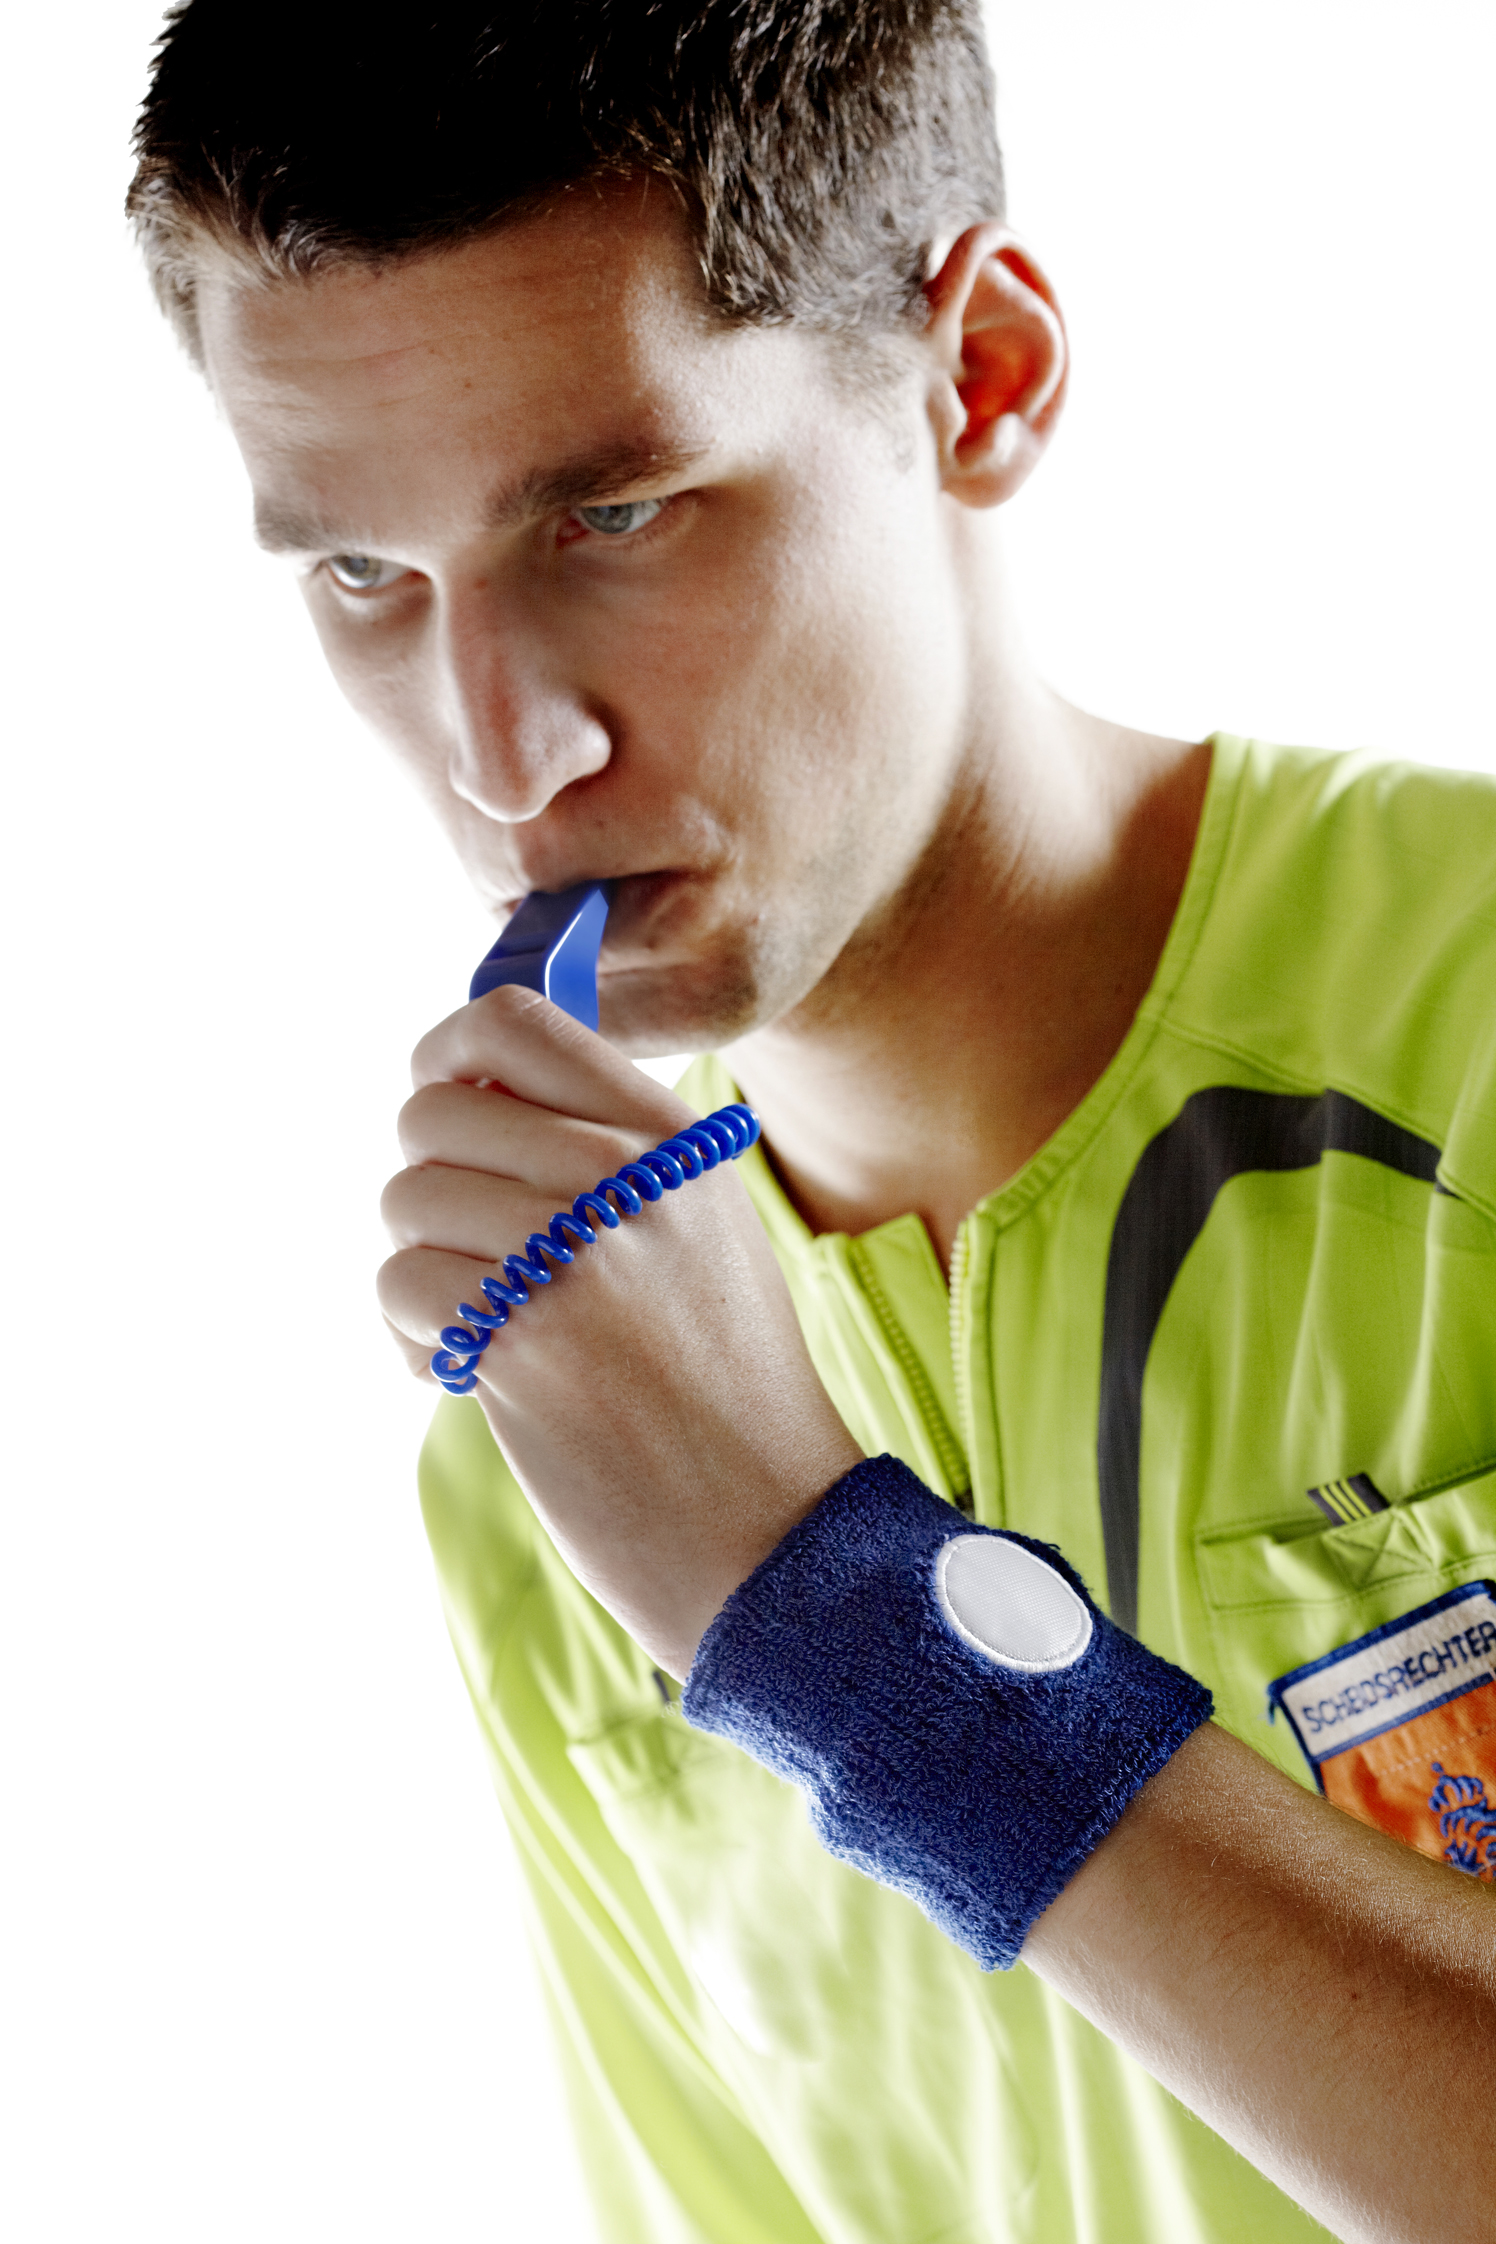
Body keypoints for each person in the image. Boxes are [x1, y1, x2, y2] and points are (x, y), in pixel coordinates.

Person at [129, 4, 1496, 2239]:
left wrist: (832, 1618)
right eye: (362, 575)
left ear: (982, 377)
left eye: (616, 512)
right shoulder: (549, 1433)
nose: (502, 751)